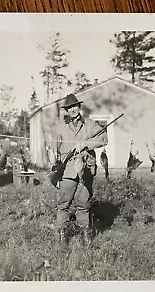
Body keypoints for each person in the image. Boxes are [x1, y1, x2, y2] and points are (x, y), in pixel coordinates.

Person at [53, 93, 108, 247]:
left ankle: (86, 238)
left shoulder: (90, 124)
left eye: (75, 106)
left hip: (86, 171)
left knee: (83, 204)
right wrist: (56, 174)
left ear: (79, 107)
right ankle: (62, 239)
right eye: (69, 107)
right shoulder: (60, 128)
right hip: (67, 172)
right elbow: (54, 152)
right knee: (63, 205)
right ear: (66, 110)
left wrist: (86, 144)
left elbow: (104, 138)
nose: (73, 109)